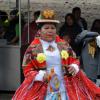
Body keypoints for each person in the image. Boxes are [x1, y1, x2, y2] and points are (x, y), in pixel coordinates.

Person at [12, 9, 100, 100]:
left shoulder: (64, 45)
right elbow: (27, 69)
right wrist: (41, 75)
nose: (50, 31)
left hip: (65, 86)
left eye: (52, 28)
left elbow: (74, 59)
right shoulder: (33, 48)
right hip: (42, 87)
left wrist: (74, 66)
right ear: (39, 30)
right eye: (46, 28)